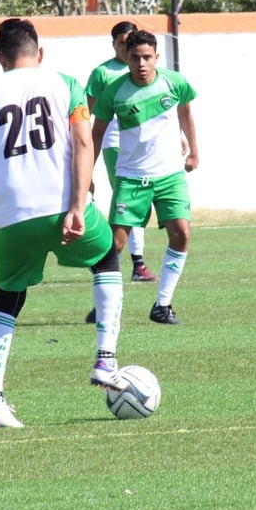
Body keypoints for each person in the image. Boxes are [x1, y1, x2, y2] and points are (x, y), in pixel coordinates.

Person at [0, 18, 129, 429]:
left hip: (12, 219)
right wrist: (75, 205)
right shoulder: (66, 84)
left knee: (8, 300)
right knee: (106, 259)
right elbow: (84, 142)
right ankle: (105, 360)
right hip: (61, 205)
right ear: (41, 52)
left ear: (0, 58)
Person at [90, 30, 199, 326]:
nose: (141, 63)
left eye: (147, 57)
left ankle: (162, 304)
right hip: (131, 177)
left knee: (182, 233)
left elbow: (186, 112)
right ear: (126, 57)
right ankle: (102, 303)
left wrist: (193, 152)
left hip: (170, 176)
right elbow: (97, 133)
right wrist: (87, 173)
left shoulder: (174, 82)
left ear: (156, 58)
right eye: (135, 57)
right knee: (114, 244)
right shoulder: (114, 91)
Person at [86, 21, 156, 283]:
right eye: (122, 43)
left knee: (137, 202)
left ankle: (117, 260)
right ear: (114, 43)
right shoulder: (103, 73)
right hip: (116, 144)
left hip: (145, 146)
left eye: (131, 42)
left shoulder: (146, 70)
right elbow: (86, 112)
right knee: (130, 200)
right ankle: (136, 264)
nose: (128, 49)